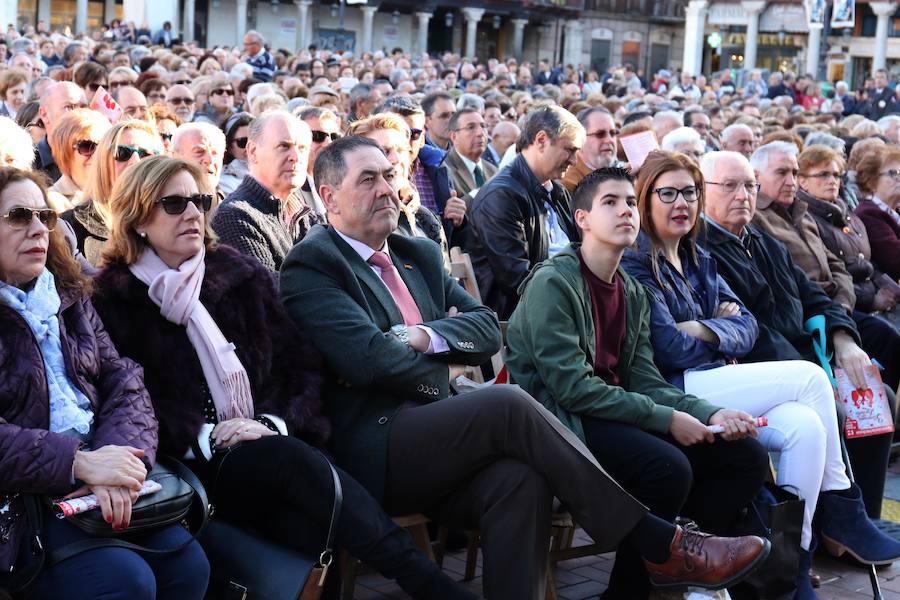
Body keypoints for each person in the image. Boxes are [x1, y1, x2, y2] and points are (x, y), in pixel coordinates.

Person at [280, 135, 770, 600]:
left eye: (390, 175)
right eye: (369, 180)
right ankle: (662, 546)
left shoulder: (417, 253)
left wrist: (423, 337)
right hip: (380, 445)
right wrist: (448, 366)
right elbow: (368, 360)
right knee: (508, 402)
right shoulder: (315, 264)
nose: (387, 188)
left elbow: (488, 329)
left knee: (520, 479)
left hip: (452, 430)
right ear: (329, 197)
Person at [90, 155, 477, 600]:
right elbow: (127, 399)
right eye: (175, 204)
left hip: (265, 442)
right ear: (138, 217)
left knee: (307, 519)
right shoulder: (113, 300)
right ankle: (424, 582)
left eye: (200, 200)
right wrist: (208, 434)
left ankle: (421, 583)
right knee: (294, 464)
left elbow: (298, 363)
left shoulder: (236, 274)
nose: (195, 212)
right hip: (188, 462)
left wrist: (270, 423)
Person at [620, 150, 900, 596]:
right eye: (668, 193)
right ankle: (843, 506)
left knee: (807, 428)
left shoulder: (696, 256)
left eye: (689, 192)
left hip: (716, 374)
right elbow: (668, 346)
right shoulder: (637, 261)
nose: (681, 204)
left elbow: (746, 327)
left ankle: (792, 564)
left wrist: (706, 328)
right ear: (645, 199)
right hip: (675, 387)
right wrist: (720, 327)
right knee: (809, 379)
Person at [505, 164, 769, 600]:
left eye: (630, 202)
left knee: (745, 457)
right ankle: (642, 584)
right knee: (666, 467)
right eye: (610, 202)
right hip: (557, 423)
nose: (626, 211)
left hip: (610, 411)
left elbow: (646, 379)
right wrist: (667, 420)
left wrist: (709, 412)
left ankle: (679, 567)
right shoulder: (554, 283)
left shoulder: (632, 290)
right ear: (582, 219)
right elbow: (571, 389)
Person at [0, 167, 209, 599]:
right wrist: (78, 462)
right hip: (22, 499)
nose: (39, 228)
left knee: (188, 565)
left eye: (44, 215)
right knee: (124, 581)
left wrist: (119, 462)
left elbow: (123, 381)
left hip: (98, 469)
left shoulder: (66, 295)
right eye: (20, 216)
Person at [697, 151, 896, 524]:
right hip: (761, 371)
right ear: (702, 190)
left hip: (801, 361)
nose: (742, 195)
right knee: (833, 410)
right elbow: (752, 332)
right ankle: (825, 521)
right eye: (729, 186)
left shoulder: (764, 241)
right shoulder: (702, 248)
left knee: (875, 396)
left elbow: (813, 296)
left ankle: (857, 520)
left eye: (749, 186)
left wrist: (843, 339)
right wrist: (814, 375)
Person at [750, 142, 900, 392]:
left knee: (886, 338)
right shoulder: (756, 218)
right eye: (781, 172)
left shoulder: (801, 213)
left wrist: (842, 304)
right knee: (883, 336)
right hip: (805, 313)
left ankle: (876, 417)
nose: (790, 181)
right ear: (756, 176)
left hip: (836, 306)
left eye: (795, 173)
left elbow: (837, 266)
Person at [469, 105, 583, 319]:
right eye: (569, 149)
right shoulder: (501, 195)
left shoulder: (556, 190)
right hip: (522, 320)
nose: (574, 160)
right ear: (541, 140)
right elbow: (517, 280)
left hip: (561, 306)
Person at [211, 111, 318, 271]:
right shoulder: (233, 217)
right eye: (284, 146)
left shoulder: (305, 215)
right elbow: (267, 290)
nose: (295, 156)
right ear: (253, 151)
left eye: (302, 148)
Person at [347, 113, 449, 261]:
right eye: (384, 151)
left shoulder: (425, 219)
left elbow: (444, 279)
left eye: (401, 150)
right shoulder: (353, 223)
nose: (396, 159)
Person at [61, 120, 162, 267]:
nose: (135, 161)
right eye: (122, 153)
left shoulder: (173, 220)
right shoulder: (70, 227)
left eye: (146, 154)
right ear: (102, 162)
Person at [47, 109, 111, 213]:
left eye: (104, 146)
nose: (97, 154)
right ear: (64, 151)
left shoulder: (119, 195)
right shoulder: (51, 202)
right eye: (86, 146)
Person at [854, 147, 900, 281]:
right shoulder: (868, 214)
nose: (899, 178)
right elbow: (896, 260)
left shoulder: (893, 210)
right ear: (871, 181)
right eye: (893, 173)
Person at [34, 82, 87, 184]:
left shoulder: (99, 158)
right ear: (44, 114)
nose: (79, 114)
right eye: (69, 107)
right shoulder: (26, 165)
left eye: (84, 107)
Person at [442, 108, 496, 205]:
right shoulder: (443, 169)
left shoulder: (494, 171)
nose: (480, 133)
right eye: (471, 127)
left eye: (483, 126)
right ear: (454, 136)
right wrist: (480, 193)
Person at [562, 107, 620, 192]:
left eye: (613, 133)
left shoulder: (622, 171)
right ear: (579, 139)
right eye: (600, 134)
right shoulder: (569, 184)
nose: (609, 140)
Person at [172, 122, 225, 198]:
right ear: (176, 156)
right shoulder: (160, 203)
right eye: (199, 152)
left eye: (215, 153)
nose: (210, 160)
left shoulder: (235, 206)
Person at [219, 112, 252, 196]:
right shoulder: (223, 182)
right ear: (229, 146)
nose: (249, 147)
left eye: (254, 140)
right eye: (242, 142)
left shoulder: (271, 172)